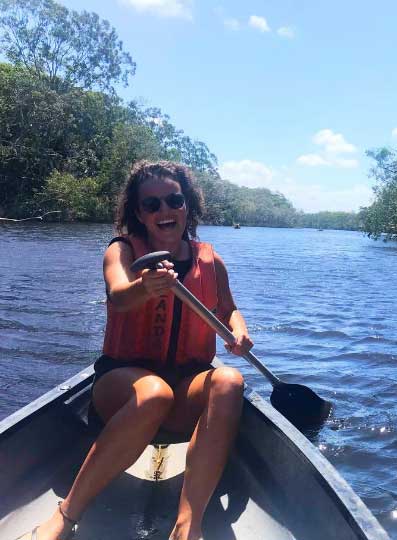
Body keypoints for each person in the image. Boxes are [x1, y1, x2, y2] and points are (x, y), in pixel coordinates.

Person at [31, 161, 252, 540]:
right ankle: (66, 515)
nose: (164, 211)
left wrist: (239, 332)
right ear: (138, 213)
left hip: (184, 392)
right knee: (153, 393)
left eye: (173, 200)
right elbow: (119, 294)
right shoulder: (122, 251)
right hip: (122, 391)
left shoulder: (210, 261)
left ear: (187, 205)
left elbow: (229, 310)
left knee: (230, 381)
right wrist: (144, 287)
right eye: (151, 205)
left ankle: (188, 524)